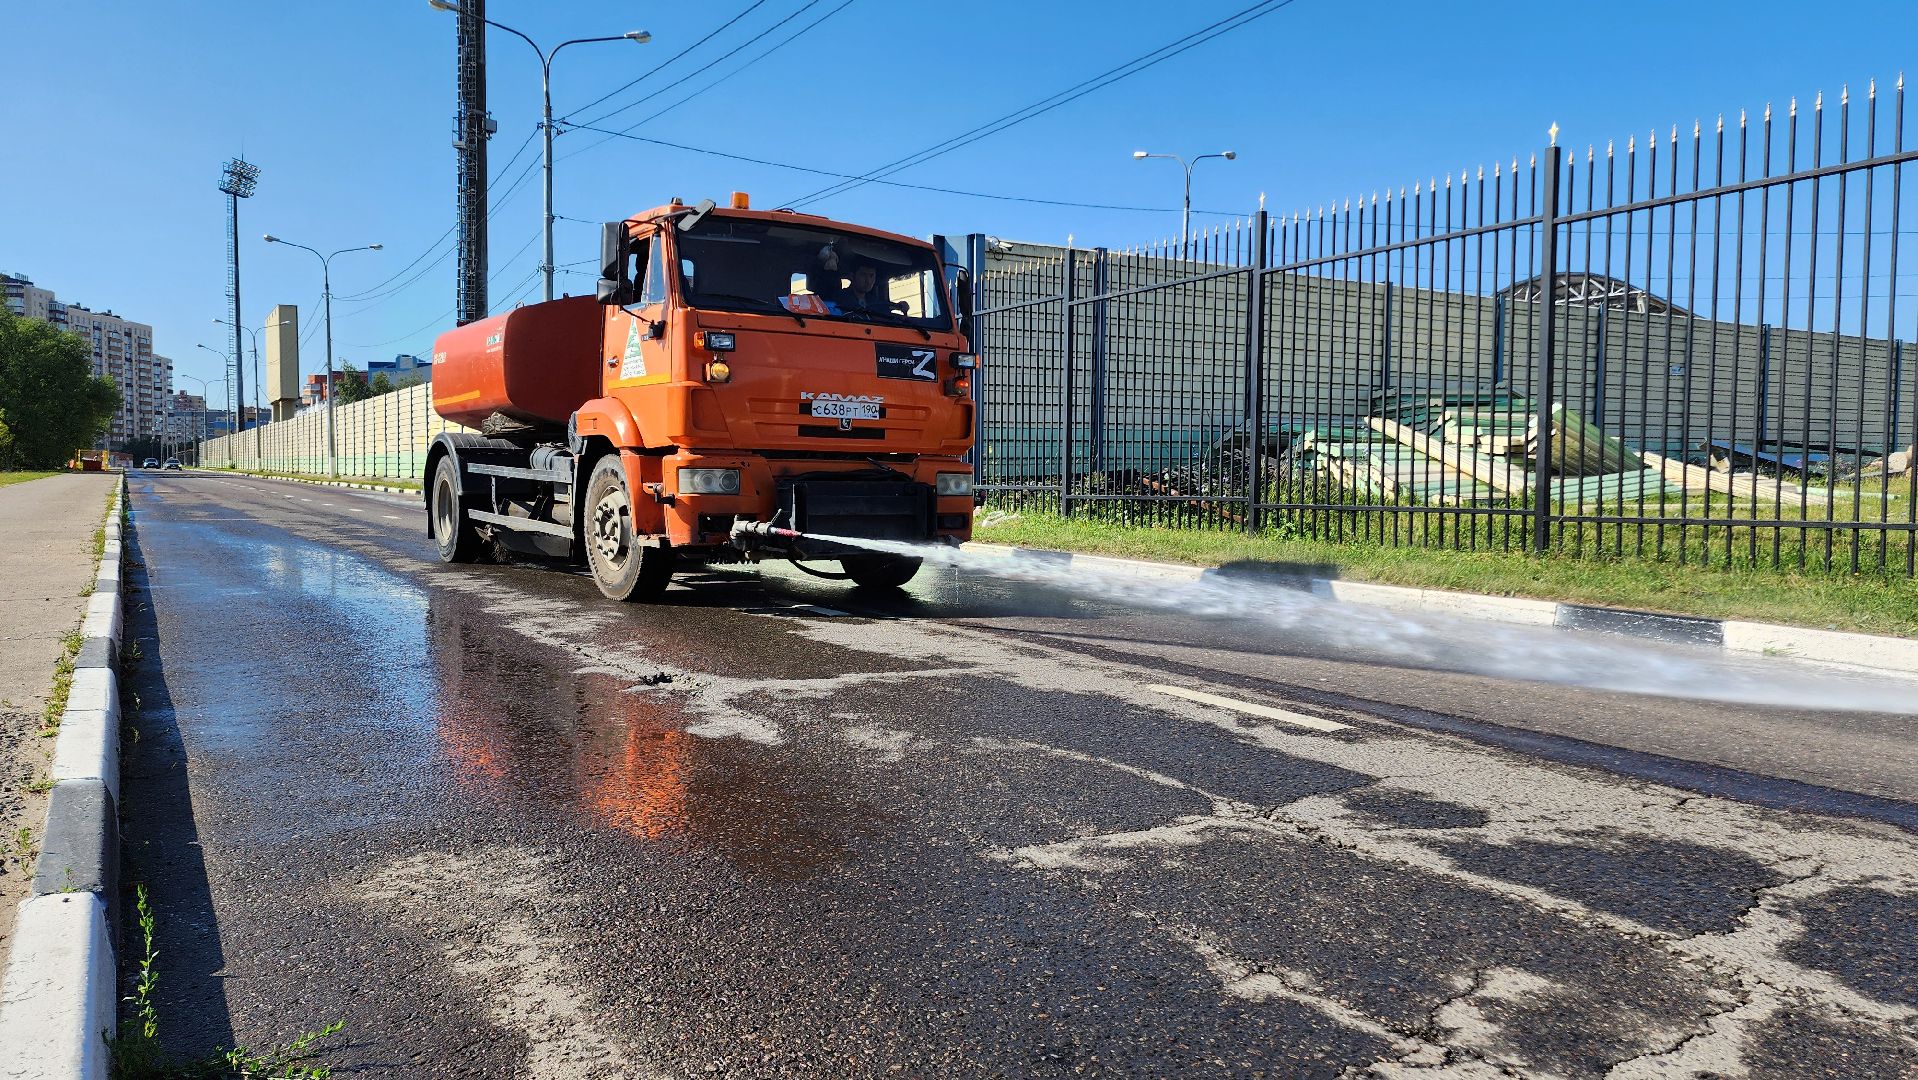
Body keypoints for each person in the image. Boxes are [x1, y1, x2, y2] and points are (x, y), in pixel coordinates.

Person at [839, 261, 908, 316]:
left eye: (871, 276)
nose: (868, 281)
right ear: (852, 276)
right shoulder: (840, 298)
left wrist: (899, 306)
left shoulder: (875, 301)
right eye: (863, 275)